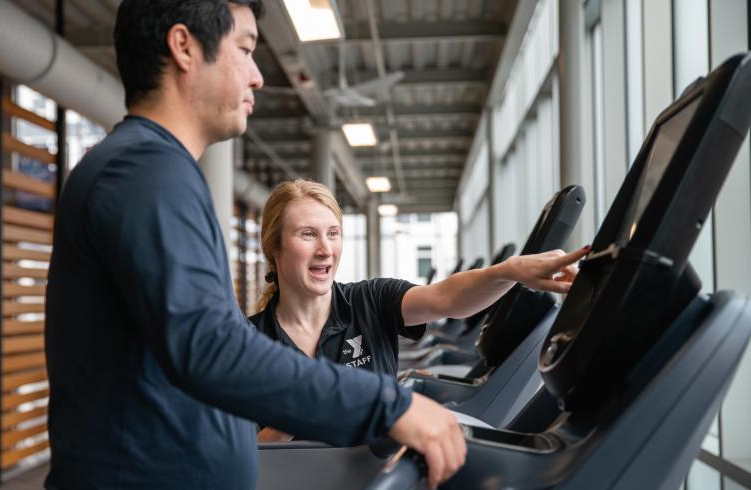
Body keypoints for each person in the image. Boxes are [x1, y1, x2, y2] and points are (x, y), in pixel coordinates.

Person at [44, 1, 469, 488]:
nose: (258, 77)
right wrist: (389, 405)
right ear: (184, 47)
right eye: (245, 50)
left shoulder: (154, 170)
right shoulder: (144, 172)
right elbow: (211, 348)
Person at [250, 180, 587, 442]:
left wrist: (508, 272)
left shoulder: (370, 300)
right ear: (274, 246)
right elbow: (238, 452)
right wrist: (296, 414)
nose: (325, 249)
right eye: (308, 234)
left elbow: (446, 298)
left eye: (333, 234)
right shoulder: (246, 339)